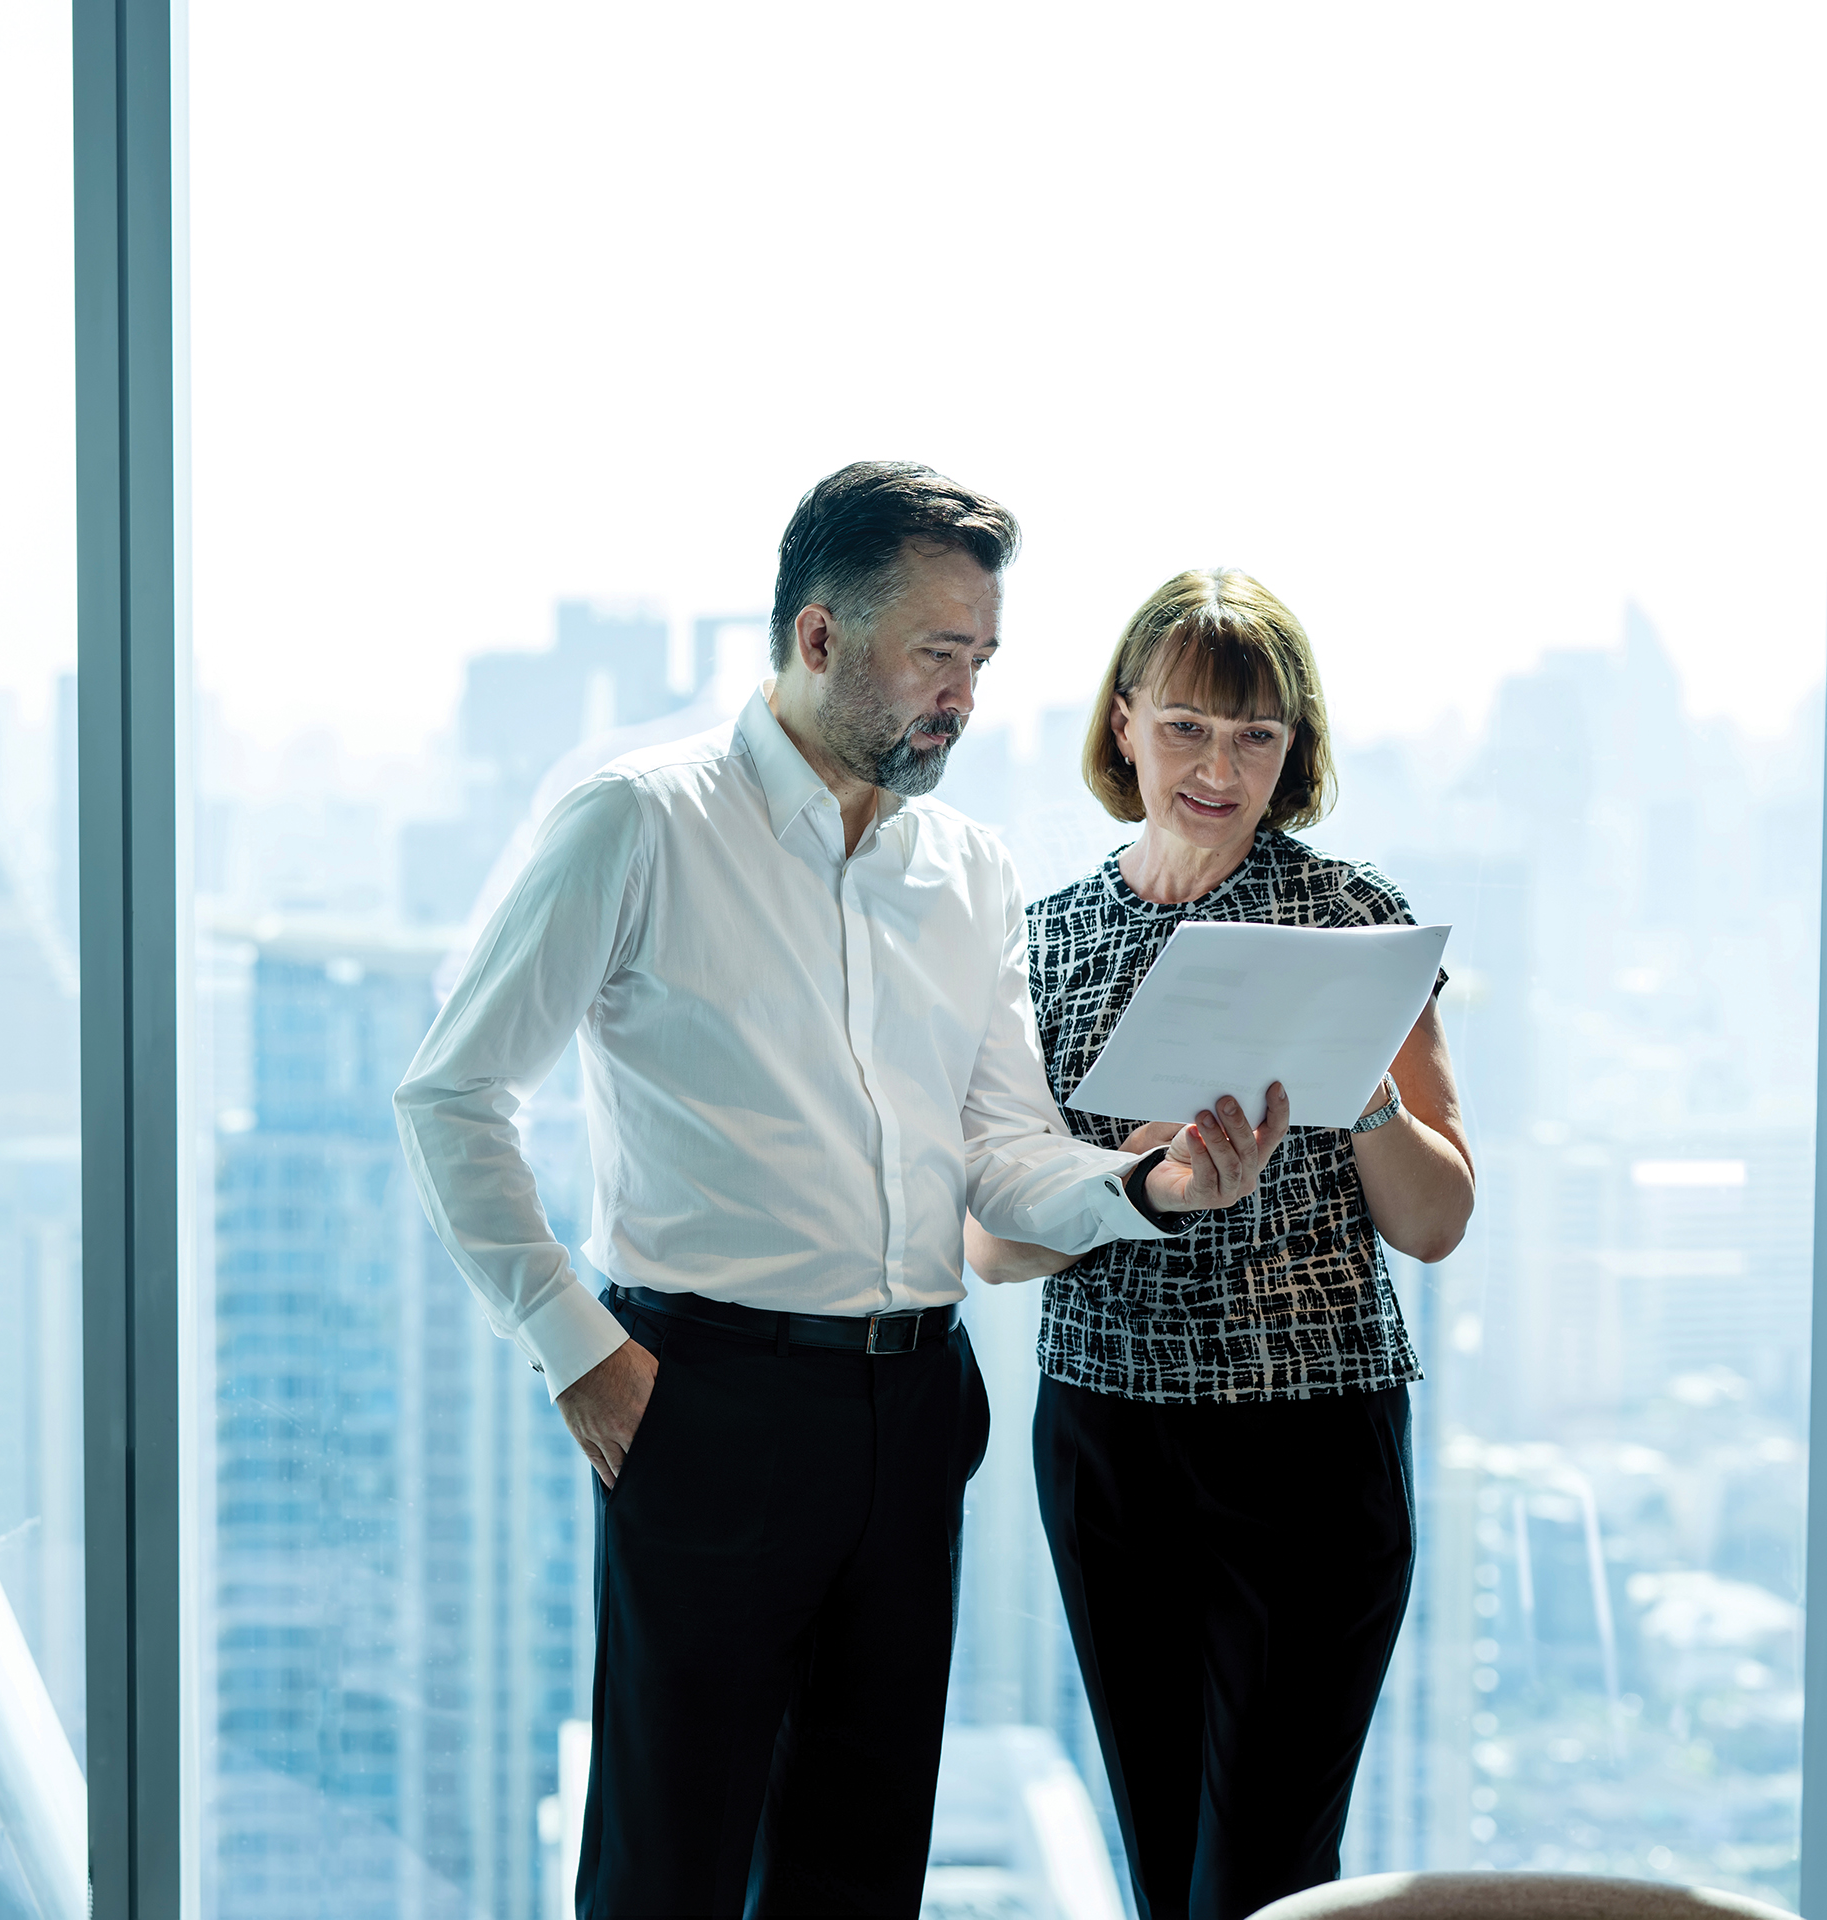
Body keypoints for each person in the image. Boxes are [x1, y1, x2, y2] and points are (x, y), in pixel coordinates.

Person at [393, 463, 1292, 1919]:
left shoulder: (967, 868)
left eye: (985, 659)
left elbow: (1002, 1153)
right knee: (667, 1869)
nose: (968, 695)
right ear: (817, 639)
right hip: (706, 1400)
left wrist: (1155, 1183)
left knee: (860, 1875)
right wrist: (581, 1355)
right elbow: (451, 1093)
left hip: (915, 1409)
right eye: (941, 654)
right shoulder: (641, 823)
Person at [966, 568, 1476, 1920]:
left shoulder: (1358, 922)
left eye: (1257, 735)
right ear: (1123, 723)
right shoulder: (1044, 941)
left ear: (1293, 751)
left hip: (1315, 1440)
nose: (1219, 765)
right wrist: (1137, 1180)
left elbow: (1435, 1222)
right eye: (1188, 725)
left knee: (1262, 1879)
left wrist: (1358, 1084)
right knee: (1165, 1864)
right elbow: (990, 1246)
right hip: (1110, 1445)